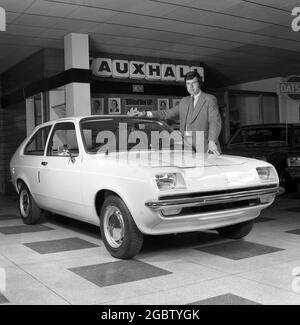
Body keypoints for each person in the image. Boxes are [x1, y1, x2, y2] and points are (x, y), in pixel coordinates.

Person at [129, 71, 222, 155]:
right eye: (188, 84)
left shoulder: (209, 99)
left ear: (199, 84)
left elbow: (215, 122)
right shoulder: (184, 101)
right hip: (187, 148)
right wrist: (145, 114)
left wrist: (212, 141)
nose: (191, 87)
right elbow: (166, 113)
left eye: (193, 83)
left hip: (206, 146)